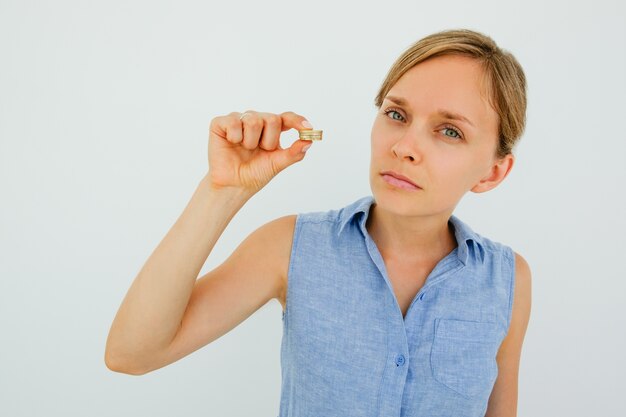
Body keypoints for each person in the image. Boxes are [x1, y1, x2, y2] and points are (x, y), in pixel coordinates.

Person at [105, 28, 532, 417]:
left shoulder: (508, 280)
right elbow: (132, 353)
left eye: (450, 131)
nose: (404, 147)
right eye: (396, 115)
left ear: (493, 172)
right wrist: (222, 190)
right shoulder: (290, 247)